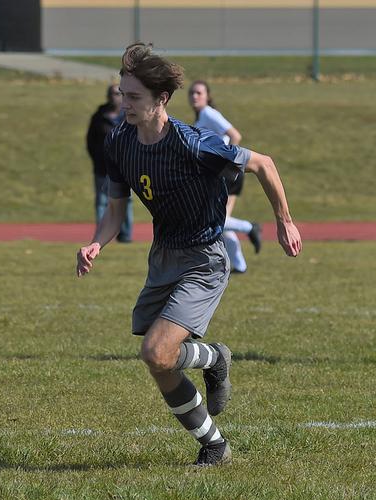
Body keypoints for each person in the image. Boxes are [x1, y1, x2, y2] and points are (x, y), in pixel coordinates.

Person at [76, 43, 302, 466]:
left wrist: (284, 220)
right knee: (160, 363)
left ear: (161, 99)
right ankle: (214, 442)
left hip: (204, 258)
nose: (124, 103)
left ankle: (215, 358)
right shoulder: (119, 142)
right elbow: (115, 210)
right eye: (123, 94)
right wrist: (96, 243)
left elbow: (264, 164)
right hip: (164, 255)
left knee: (156, 353)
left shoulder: (195, 144)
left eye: (134, 97)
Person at [188, 80, 262, 273]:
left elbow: (235, 135)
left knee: (216, 219)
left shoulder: (208, 113)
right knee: (222, 219)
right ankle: (239, 264)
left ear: (207, 96)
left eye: (199, 93)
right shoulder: (201, 117)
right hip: (223, 173)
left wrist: (227, 164)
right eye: (192, 93)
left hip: (226, 173)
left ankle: (250, 227)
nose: (194, 96)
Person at [86, 84, 133, 243]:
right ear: (107, 96)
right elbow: (90, 142)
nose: (115, 96)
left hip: (123, 168)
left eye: (119, 93)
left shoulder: (128, 116)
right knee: (102, 201)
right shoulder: (99, 116)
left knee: (125, 200)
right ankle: (101, 238)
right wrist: (98, 159)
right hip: (102, 168)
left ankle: (126, 235)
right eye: (113, 93)